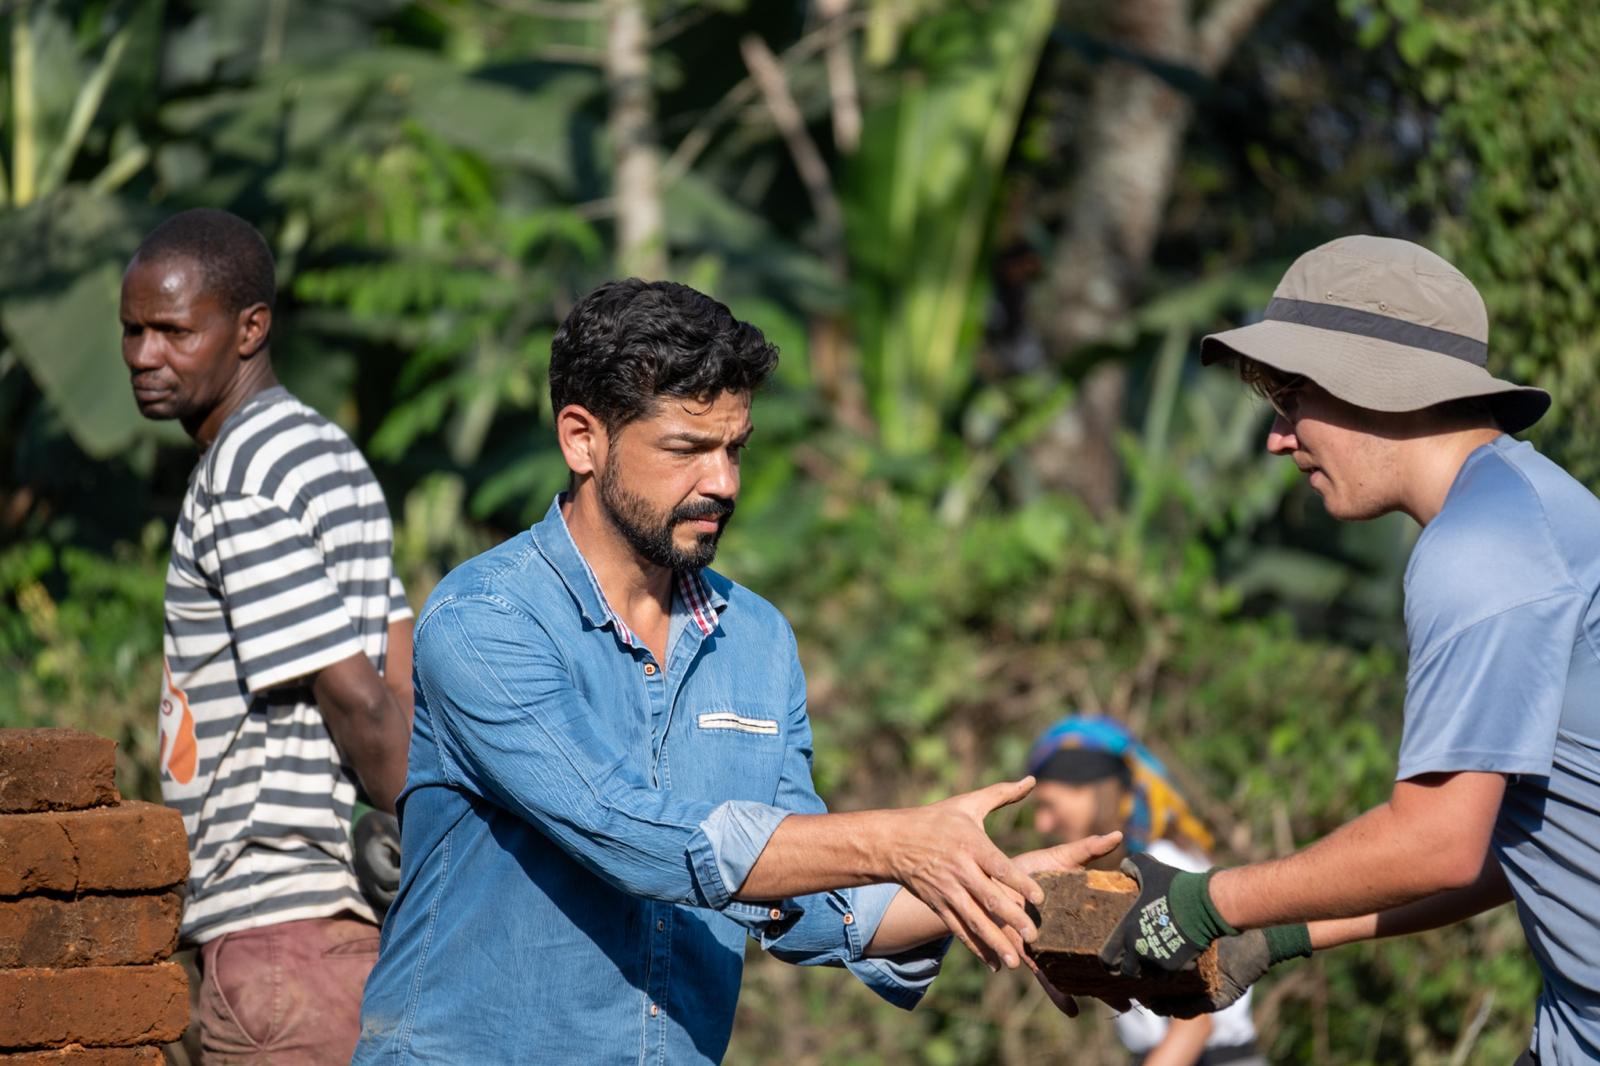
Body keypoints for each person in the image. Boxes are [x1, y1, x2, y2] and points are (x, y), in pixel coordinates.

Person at [354, 279, 1116, 1065]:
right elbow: (625, 831)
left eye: (735, 448)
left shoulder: (755, 638)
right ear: (582, 440)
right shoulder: (485, 621)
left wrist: (986, 887)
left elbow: (806, 901)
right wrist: (897, 841)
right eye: (687, 449)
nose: (723, 482)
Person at [1099, 235, 1597, 1066]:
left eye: (1290, 398)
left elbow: (1434, 840)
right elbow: (1520, 849)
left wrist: (1203, 902)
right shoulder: (1529, 510)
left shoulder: (1485, 552)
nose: (1277, 437)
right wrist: (1279, 929)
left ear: (1379, 381)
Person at [123, 208, 414, 1064]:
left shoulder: (243, 479)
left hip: (279, 936)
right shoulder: (322, 450)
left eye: (173, 331)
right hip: (345, 937)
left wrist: (433, 854)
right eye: (132, 330)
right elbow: (401, 661)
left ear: (252, 328)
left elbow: (358, 695)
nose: (145, 356)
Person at [1029, 717, 1266, 1066]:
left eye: (1049, 804)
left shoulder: (1162, 869)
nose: (1042, 824)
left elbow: (1196, 1023)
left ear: (1092, 791)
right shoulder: (1134, 870)